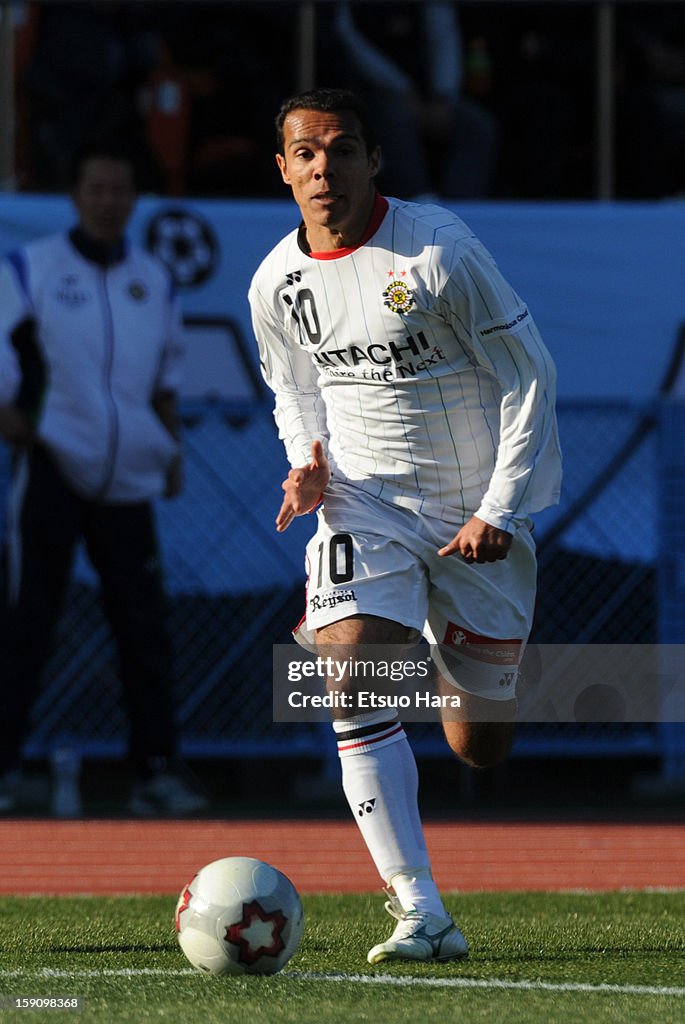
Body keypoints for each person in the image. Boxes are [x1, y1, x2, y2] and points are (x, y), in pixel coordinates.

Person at [249, 88, 561, 964]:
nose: (323, 168)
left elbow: (528, 376)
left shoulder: (439, 251)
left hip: (474, 513)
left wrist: (500, 508)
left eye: (341, 150)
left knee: (478, 745)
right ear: (283, 168)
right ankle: (419, 909)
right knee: (351, 671)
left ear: (371, 161)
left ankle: (447, 638)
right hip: (363, 501)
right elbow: (292, 388)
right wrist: (306, 458)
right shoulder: (276, 281)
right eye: (305, 154)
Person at [0, 140, 206, 817]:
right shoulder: (31, 268)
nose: (109, 200)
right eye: (97, 188)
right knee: (26, 620)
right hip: (54, 465)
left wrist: (169, 451)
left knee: (143, 628)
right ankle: (4, 769)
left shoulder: (155, 280)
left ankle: (155, 772)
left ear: (133, 198)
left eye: (120, 189)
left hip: (129, 478)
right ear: (76, 196)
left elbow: (165, 384)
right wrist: (16, 418)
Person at [326, 2, 498, 199]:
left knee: (475, 123)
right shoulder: (354, 9)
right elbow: (352, 41)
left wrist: (443, 95)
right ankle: (418, 200)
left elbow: (443, 40)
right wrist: (401, 89)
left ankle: (461, 205)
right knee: (393, 116)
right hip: (374, 92)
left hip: (432, 97)